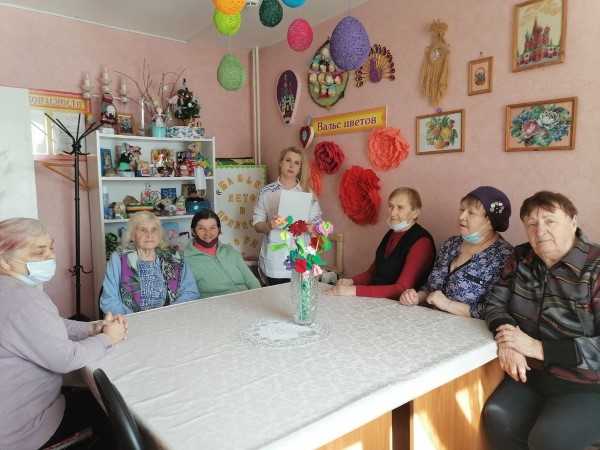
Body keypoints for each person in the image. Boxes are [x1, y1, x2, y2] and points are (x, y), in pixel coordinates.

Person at [483, 191, 600, 450]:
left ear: (573, 221)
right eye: (532, 224)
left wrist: (537, 348)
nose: (540, 231)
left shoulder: (595, 267)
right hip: (532, 375)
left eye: (550, 221)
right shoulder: (520, 257)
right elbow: (495, 304)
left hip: (587, 384)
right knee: (497, 417)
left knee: (548, 440)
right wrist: (508, 338)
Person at [0, 218, 127, 450]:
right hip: (23, 431)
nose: (50, 256)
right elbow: (67, 359)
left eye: (51, 247)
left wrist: (91, 328)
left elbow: (48, 325)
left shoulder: (10, 290)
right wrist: (108, 338)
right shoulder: (23, 299)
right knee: (113, 410)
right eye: (39, 252)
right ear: (4, 261)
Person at [399, 186, 513, 318]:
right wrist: (416, 297)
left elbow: (494, 310)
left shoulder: (504, 257)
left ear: (490, 221)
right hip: (429, 321)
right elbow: (430, 288)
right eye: (462, 210)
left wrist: (447, 305)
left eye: (471, 213)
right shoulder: (451, 244)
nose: (461, 216)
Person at [330, 187, 435, 299]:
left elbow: (402, 288)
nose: (393, 213)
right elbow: (372, 273)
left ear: (415, 213)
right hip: (379, 299)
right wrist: (351, 281)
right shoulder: (391, 233)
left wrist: (353, 290)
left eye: (400, 208)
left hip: (399, 304)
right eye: (391, 206)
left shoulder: (422, 242)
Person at [100, 211, 199, 314]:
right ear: (132, 235)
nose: (149, 235)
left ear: (159, 234)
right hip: (131, 321)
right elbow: (109, 301)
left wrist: (170, 313)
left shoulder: (175, 257)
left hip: (172, 317)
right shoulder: (119, 259)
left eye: (154, 230)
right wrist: (135, 319)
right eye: (143, 230)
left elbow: (190, 292)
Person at [253, 147, 321, 285]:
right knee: (276, 295)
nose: (291, 165)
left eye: (297, 163)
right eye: (288, 160)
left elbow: (318, 227)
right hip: (275, 260)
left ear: (300, 168)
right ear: (281, 163)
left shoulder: (308, 193)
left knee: (300, 296)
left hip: (301, 257)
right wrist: (269, 225)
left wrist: (311, 228)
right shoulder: (266, 192)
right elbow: (257, 224)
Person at [184, 209, 261, 298]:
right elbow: (189, 294)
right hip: (216, 303)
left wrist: (260, 297)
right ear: (193, 231)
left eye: (212, 228)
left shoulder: (229, 251)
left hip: (247, 298)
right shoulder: (186, 259)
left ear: (219, 230)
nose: (208, 233)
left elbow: (251, 280)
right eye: (201, 228)